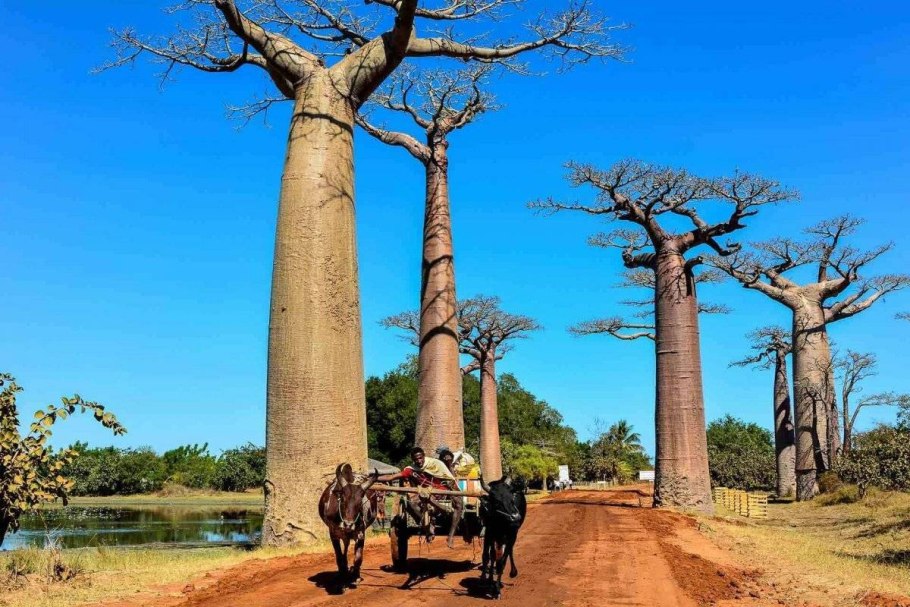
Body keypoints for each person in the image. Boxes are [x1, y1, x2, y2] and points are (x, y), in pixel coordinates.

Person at [378, 447, 463, 548]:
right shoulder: (410, 470)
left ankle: (451, 536)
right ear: (413, 460)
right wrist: (373, 478)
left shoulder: (435, 464)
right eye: (416, 459)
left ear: (424, 456)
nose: (419, 461)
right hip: (425, 494)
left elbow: (450, 479)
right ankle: (426, 525)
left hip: (442, 493)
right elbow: (390, 477)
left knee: (459, 504)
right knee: (409, 502)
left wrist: (452, 491)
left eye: (420, 458)